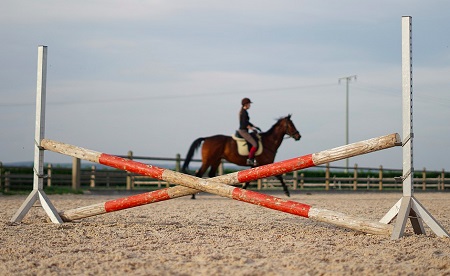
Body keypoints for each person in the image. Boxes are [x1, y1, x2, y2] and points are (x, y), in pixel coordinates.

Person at [238, 97, 260, 166]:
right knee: (255, 144)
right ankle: (250, 159)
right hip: (243, 131)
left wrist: (255, 126)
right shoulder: (244, 112)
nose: (250, 105)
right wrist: (252, 129)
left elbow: (247, 122)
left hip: (244, 130)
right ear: (246, 104)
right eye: (249, 104)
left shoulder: (244, 111)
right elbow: (245, 124)